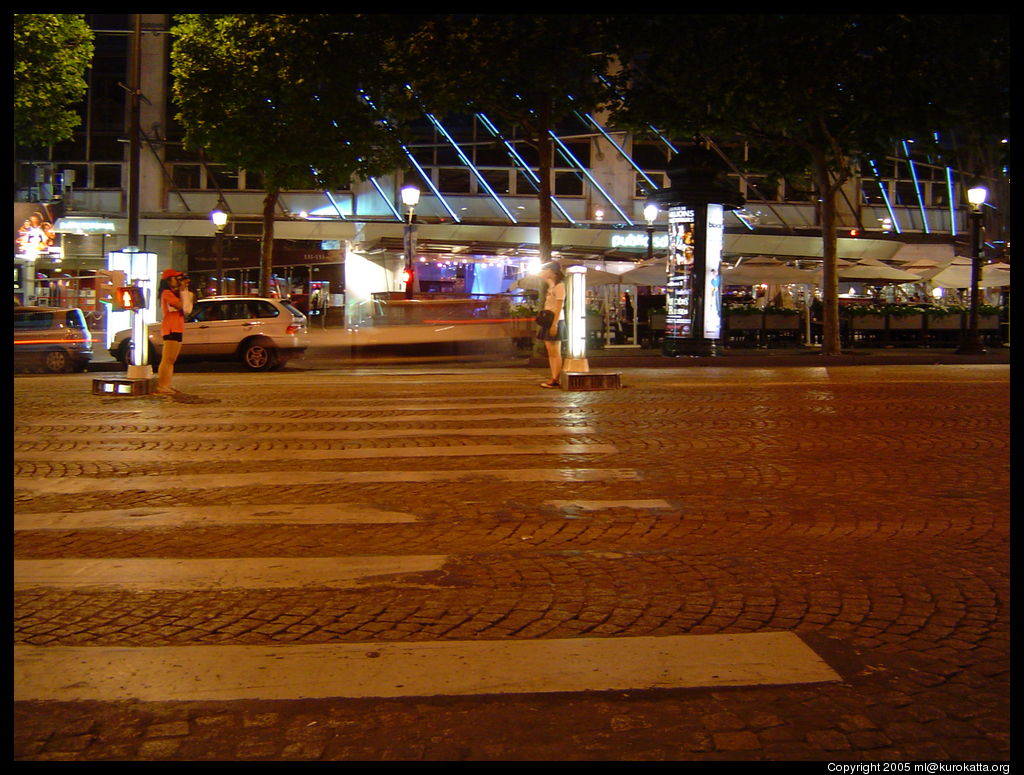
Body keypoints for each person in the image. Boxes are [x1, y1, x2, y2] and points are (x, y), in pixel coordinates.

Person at [155, 268, 185, 395]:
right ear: (168, 280)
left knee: (171, 360)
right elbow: (180, 305)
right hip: (171, 327)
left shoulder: (172, 292)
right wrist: (183, 290)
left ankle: (167, 385)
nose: (178, 281)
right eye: (175, 278)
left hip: (177, 327)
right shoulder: (167, 293)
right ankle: (162, 386)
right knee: (167, 359)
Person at [536, 261, 566, 388]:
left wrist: (555, 324)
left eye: (545, 269)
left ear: (552, 272)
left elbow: (560, 306)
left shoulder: (560, 286)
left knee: (555, 351)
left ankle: (556, 378)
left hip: (556, 320)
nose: (543, 272)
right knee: (550, 351)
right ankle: (554, 377)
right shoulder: (551, 286)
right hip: (549, 320)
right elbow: (539, 275)